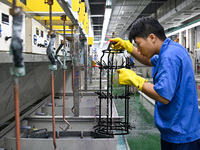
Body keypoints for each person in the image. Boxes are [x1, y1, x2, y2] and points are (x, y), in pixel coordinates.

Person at [110, 17, 200, 150]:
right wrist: (128, 47)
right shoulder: (170, 49)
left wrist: (135, 79)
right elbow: (148, 60)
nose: (138, 49)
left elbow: (163, 96)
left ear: (152, 37)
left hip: (181, 136)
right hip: (181, 130)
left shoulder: (169, 57)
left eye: (138, 44)